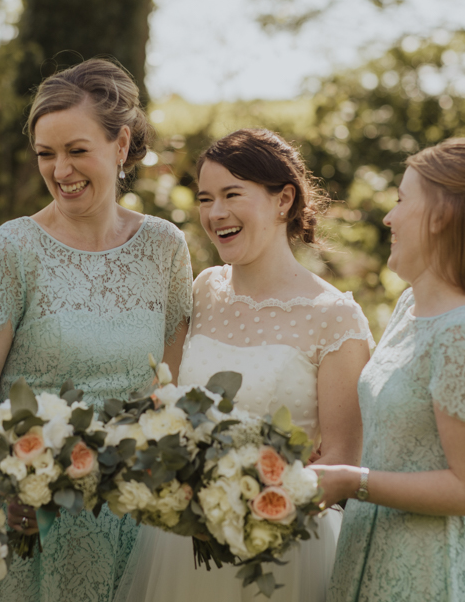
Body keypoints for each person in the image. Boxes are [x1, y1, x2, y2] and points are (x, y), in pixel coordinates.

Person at [0, 58, 193, 602]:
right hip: (27, 516)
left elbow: (170, 385)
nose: (60, 170)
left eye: (76, 150)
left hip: (132, 517)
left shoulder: (165, 247)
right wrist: (12, 481)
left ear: (122, 144)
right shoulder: (9, 249)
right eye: (46, 154)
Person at [114, 128, 374, 602]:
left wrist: (251, 499)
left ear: (283, 200)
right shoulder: (202, 291)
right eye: (206, 198)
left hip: (279, 550)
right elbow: (163, 401)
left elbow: (340, 463)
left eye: (233, 194)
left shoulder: (335, 317)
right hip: (179, 545)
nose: (215, 214)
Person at [317, 137, 465, 601]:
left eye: (401, 200)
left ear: (442, 216)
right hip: (368, 550)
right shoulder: (409, 305)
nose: (388, 217)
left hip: (425, 572)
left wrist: (350, 481)